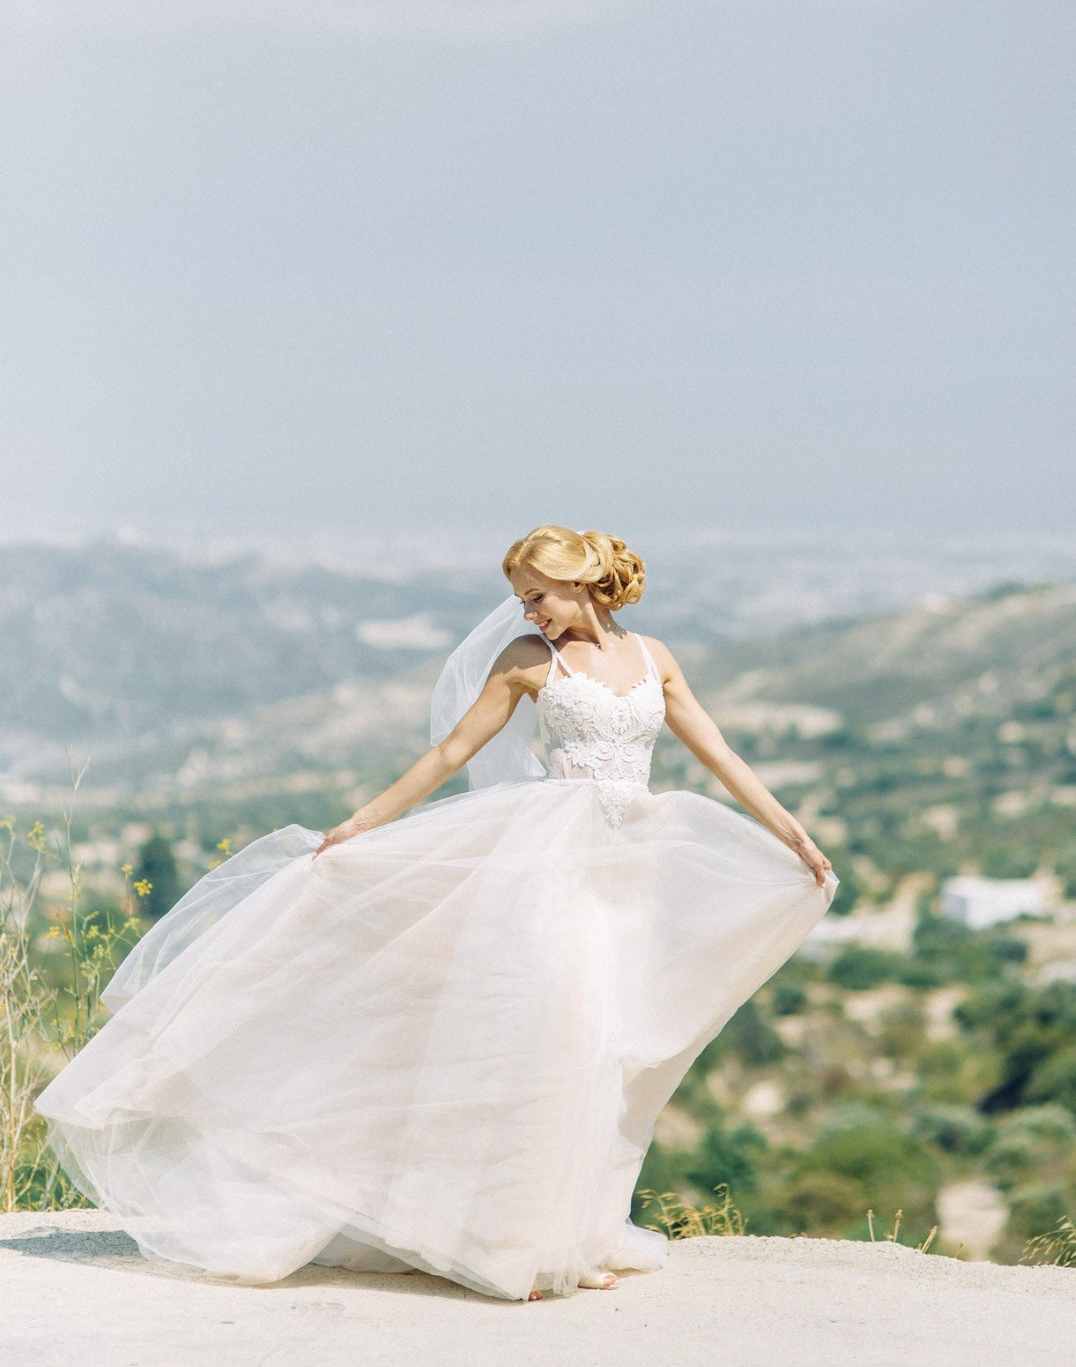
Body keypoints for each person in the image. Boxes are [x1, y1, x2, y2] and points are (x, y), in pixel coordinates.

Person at [35, 524, 837, 1303]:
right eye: (521, 599)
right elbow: (451, 753)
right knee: (559, 1041)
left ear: (579, 581)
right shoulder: (529, 661)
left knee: (611, 1053)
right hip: (553, 868)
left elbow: (719, 753)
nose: (529, 611)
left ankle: (583, 1235)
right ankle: (518, 1246)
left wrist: (795, 838)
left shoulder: (652, 658)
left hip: (633, 872)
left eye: (537, 596)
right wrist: (358, 827)